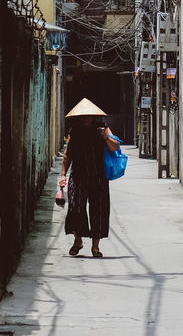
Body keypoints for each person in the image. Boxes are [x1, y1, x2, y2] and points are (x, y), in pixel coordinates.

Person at [58, 98, 120, 257]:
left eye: (88, 116)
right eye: (82, 116)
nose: (85, 118)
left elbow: (115, 148)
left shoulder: (103, 128)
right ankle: (78, 240)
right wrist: (63, 174)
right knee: (75, 207)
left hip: (98, 176)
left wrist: (106, 137)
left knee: (98, 210)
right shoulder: (74, 131)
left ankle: (95, 247)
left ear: (94, 116)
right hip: (78, 176)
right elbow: (68, 155)